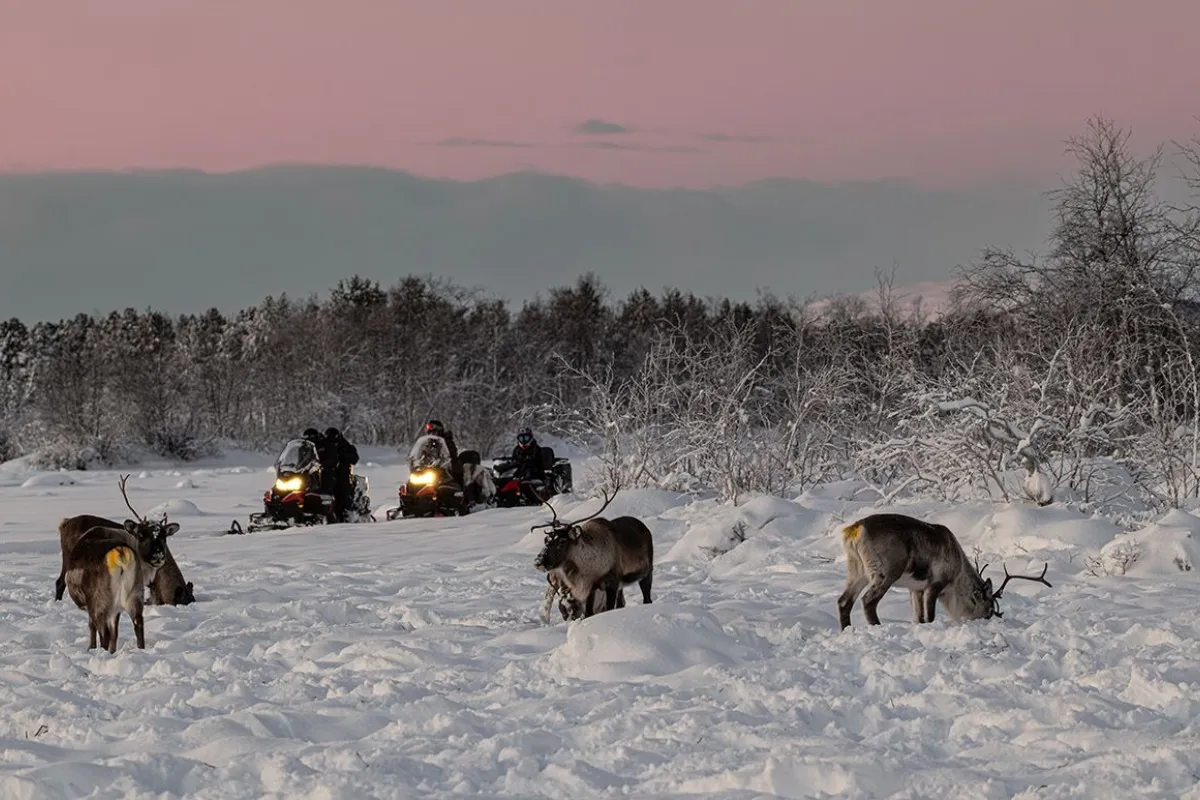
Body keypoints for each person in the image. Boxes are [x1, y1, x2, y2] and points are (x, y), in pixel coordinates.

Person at [325, 427, 359, 522]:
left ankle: (346, 516)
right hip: (325, 476)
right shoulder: (323, 447)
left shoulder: (346, 446)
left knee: (343, 495)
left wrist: (343, 456)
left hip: (342, 476)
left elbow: (354, 459)